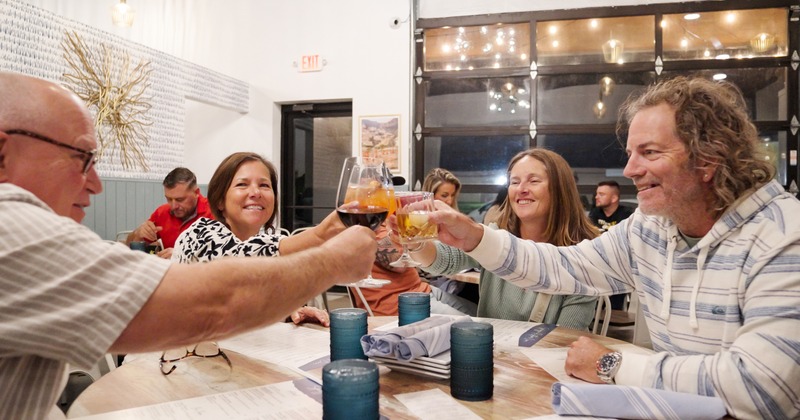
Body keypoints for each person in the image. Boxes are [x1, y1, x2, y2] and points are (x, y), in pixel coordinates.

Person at [417, 77, 800, 418]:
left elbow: (763, 390)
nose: (630, 170)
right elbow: (564, 267)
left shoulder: (783, 234)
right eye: (631, 153)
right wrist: (476, 238)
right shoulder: (651, 228)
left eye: (649, 152)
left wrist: (613, 364)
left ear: (708, 158)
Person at [0, 72, 377, 419]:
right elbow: (220, 298)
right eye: (82, 158)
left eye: (265, 185)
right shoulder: (13, 229)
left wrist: (294, 295)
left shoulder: (274, 237)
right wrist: (330, 261)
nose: (97, 184)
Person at [409, 149, 599, 328]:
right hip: (490, 351)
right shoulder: (496, 237)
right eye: (515, 182)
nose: (521, 189)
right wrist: (414, 243)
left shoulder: (581, 257)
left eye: (533, 181)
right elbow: (443, 261)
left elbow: (567, 337)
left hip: (541, 358)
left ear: (559, 189)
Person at [173, 152, 347, 325]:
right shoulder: (198, 235)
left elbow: (251, 304)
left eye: (264, 185)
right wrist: (323, 232)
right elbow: (239, 261)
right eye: (242, 184)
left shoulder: (269, 244)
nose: (255, 192)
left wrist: (290, 313)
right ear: (220, 200)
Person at [353, 223, 477, 316]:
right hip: (400, 304)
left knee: (481, 314)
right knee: (474, 328)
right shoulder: (367, 226)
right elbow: (400, 265)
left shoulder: (384, 221)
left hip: (424, 290)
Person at [125, 167, 213, 259]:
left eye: (180, 199)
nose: (173, 206)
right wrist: (138, 233)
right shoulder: (162, 213)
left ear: (196, 193)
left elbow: (224, 256)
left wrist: (181, 256)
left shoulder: (214, 213)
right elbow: (128, 246)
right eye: (169, 199)